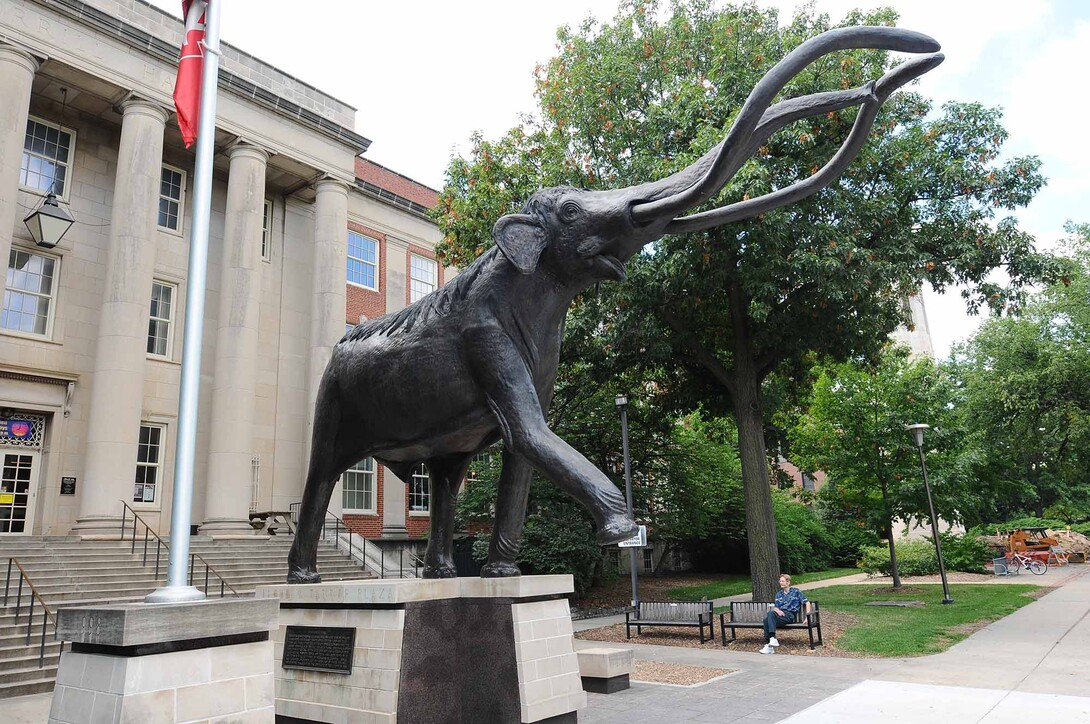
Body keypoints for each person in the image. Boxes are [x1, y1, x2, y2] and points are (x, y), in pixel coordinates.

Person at [760, 574, 808, 654]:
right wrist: (778, 611)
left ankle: (770, 642)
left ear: (788, 582)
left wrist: (807, 616)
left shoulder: (796, 592)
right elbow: (776, 607)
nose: (781, 583)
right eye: (780, 581)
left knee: (769, 616)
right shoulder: (779, 594)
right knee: (766, 619)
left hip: (789, 615)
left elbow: (807, 602)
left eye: (783, 581)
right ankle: (771, 642)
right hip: (780, 615)